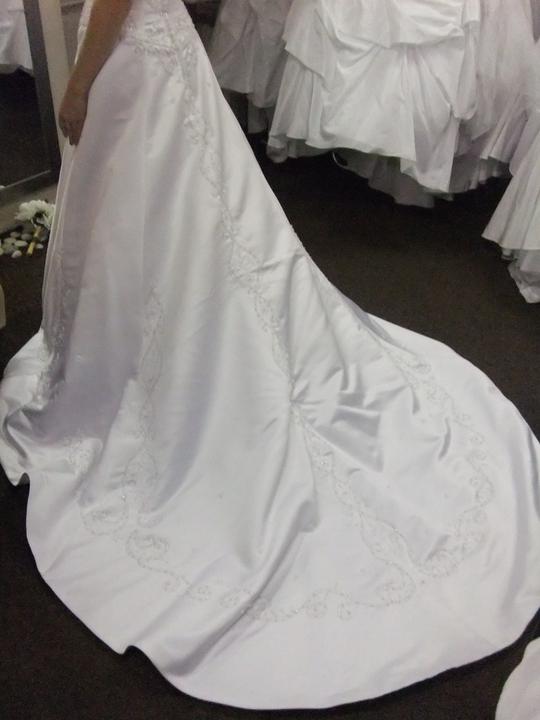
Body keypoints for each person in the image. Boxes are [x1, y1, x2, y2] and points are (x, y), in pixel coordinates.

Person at [0, 0, 539, 711]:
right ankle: (157, 335)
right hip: (161, 50)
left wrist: (78, 83)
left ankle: (162, 354)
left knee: (159, 220)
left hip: (128, 53)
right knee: (178, 221)